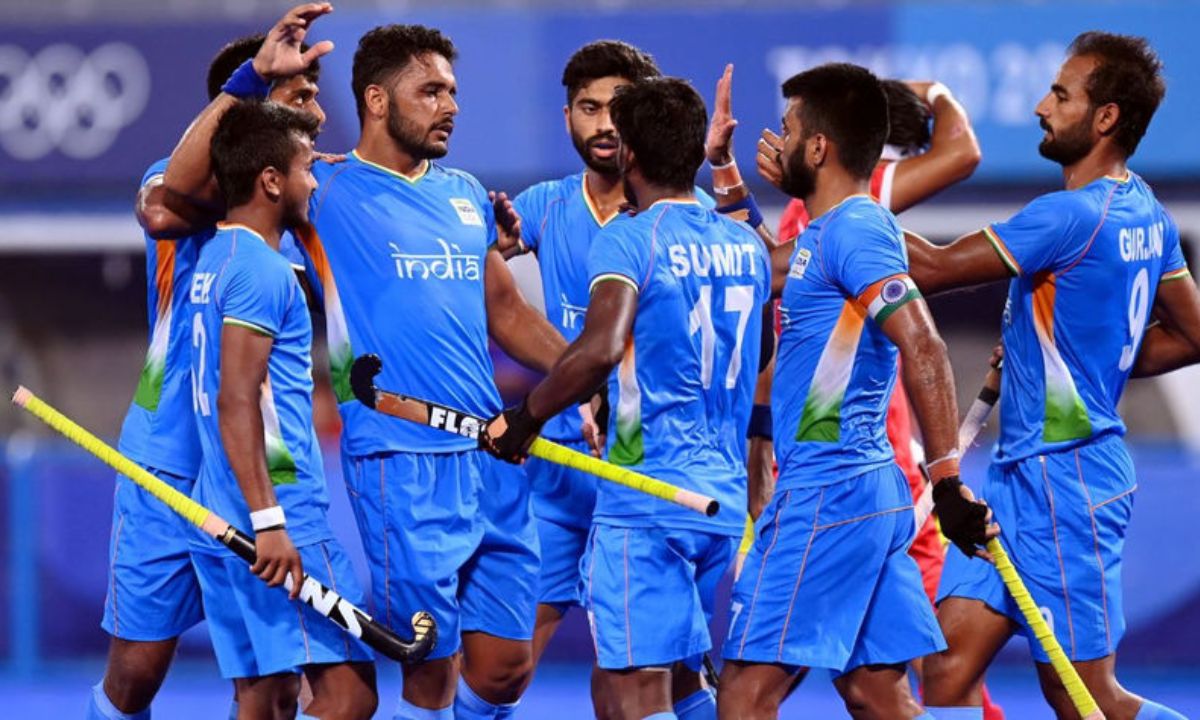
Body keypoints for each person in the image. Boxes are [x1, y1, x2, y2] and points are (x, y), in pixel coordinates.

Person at [906, 31, 1194, 720]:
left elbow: (934, 269)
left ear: (1105, 118)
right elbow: (1193, 333)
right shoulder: (1144, 209)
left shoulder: (1069, 216)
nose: (1041, 106)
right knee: (945, 672)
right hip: (1018, 483)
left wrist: (843, 207)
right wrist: (1082, 356)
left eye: (1061, 95)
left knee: (1085, 697)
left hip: (1070, 486)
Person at [705, 66, 1005, 718]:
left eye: (788, 130)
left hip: (828, 492)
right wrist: (723, 168)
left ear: (817, 148)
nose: (776, 143)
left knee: (744, 695)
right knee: (876, 694)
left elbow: (923, 344)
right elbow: (763, 267)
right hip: (866, 495)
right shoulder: (824, 233)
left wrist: (948, 483)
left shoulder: (857, 228)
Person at [293, 24, 568, 720]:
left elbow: (506, 311)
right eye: (432, 91)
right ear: (377, 100)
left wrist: (587, 373)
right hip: (401, 458)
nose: (451, 106)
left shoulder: (466, 193)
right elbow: (207, 180)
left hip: (493, 453)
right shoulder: (323, 189)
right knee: (431, 669)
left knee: (505, 669)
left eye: (452, 91)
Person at [483, 75, 772, 720]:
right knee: (676, 684)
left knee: (633, 693)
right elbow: (762, 353)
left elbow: (601, 348)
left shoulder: (629, 235)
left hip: (646, 497)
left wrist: (525, 419)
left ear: (632, 155)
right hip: (718, 503)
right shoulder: (745, 244)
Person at [90, 8, 330, 719]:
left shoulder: (307, 197)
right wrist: (250, 77)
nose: (317, 109)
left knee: (272, 684)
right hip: (166, 463)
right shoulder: (172, 185)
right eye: (299, 93)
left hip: (256, 470)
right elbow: (161, 211)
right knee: (136, 675)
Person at [190, 99, 376, 720]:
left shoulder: (211, 260)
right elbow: (236, 398)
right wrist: (270, 520)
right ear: (271, 181)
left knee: (265, 698)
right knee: (349, 695)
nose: (314, 183)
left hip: (219, 511)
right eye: (305, 169)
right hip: (279, 515)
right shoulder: (264, 273)